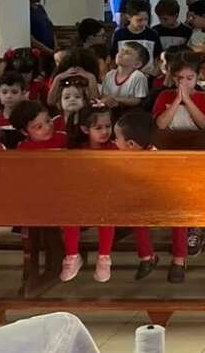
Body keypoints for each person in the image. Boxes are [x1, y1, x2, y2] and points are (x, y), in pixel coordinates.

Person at [112, 110, 190, 282]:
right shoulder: (122, 156)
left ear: (131, 144)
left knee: (178, 217)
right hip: (142, 201)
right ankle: (146, 257)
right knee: (138, 216)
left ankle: (179, 259)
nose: (114, 142)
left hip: (167, 200)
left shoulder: (154, 155)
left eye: (117, 138)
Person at [59, 104, 117, 283]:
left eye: (108, 126)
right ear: (85, 129)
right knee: (69, 213)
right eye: (98, 128)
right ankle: (72, 256)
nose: (104, 131)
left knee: (106, 215)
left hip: (106, 197)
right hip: (81, 195)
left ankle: (104, 257)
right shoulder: (77, 149)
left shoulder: (115, 148)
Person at [153, 53, 205, 130]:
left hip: (196, 140)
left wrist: (187, 100)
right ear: (174, 78)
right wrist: (177, 100)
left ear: (197, 76)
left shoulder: (203, 97)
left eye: (189, 78)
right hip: (168, 139)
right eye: (180, 78)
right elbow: (161, 125)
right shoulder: (164, 95)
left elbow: (204, 124)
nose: (184, 82)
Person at [110, 0, 161, 77]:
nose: (143, 23)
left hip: (148, 78)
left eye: (146, 19)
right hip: (125, 78)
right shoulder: (120, 34)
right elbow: (113, 57)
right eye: (139, 20)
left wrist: (156, 71)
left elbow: (158, 57)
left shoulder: (152, 34)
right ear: (128, 17)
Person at [100, 42, 149, 109]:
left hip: (130, 113)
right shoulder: (109, 75)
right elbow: (104, 95)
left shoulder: (139, 76)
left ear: (137, 64)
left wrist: (116, 99)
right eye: (120, 50)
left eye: (127, 53)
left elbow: (137, 100)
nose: (121, 53)